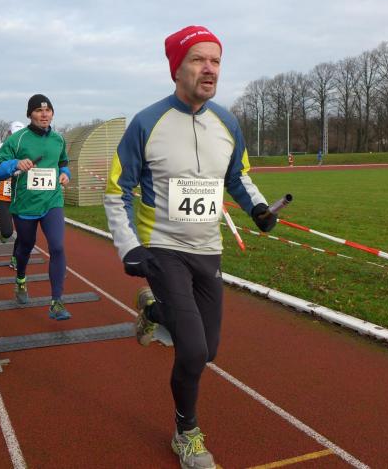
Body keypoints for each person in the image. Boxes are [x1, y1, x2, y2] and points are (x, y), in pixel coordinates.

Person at [104, 26, 276, 469]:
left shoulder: (227, 123)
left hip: (208, 249)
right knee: (194, 351)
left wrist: (257, 208)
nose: (209, 69)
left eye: (216, 61)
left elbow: (237, 176)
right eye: (199, 60)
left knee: (208, 349)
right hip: (162, 248)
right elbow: (116, 191)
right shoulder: (147, 123)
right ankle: (186, 434)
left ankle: (153, 310)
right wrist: (128, 247)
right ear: (176, 69)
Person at [0, 95, 72, 321]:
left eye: (48, 110)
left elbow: (63, 162)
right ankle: (21, 279)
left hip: (52, 202)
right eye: (38, 111)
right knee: (25, 246)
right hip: (25, 204)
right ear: (30, 114)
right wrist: (14, 164)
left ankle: (56, 302)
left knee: (57, 247)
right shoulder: (17, 140)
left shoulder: (58, 139)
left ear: (52, 113)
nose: (44, 114)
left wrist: (65, 174)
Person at [0, 121, 26, 269]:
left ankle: (15, 258)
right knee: (7, 232)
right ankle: (3, 234)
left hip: (22, 194)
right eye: (14, 134)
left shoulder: (28, 147)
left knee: (24, 232)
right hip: (4, 194)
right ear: (9, 134)